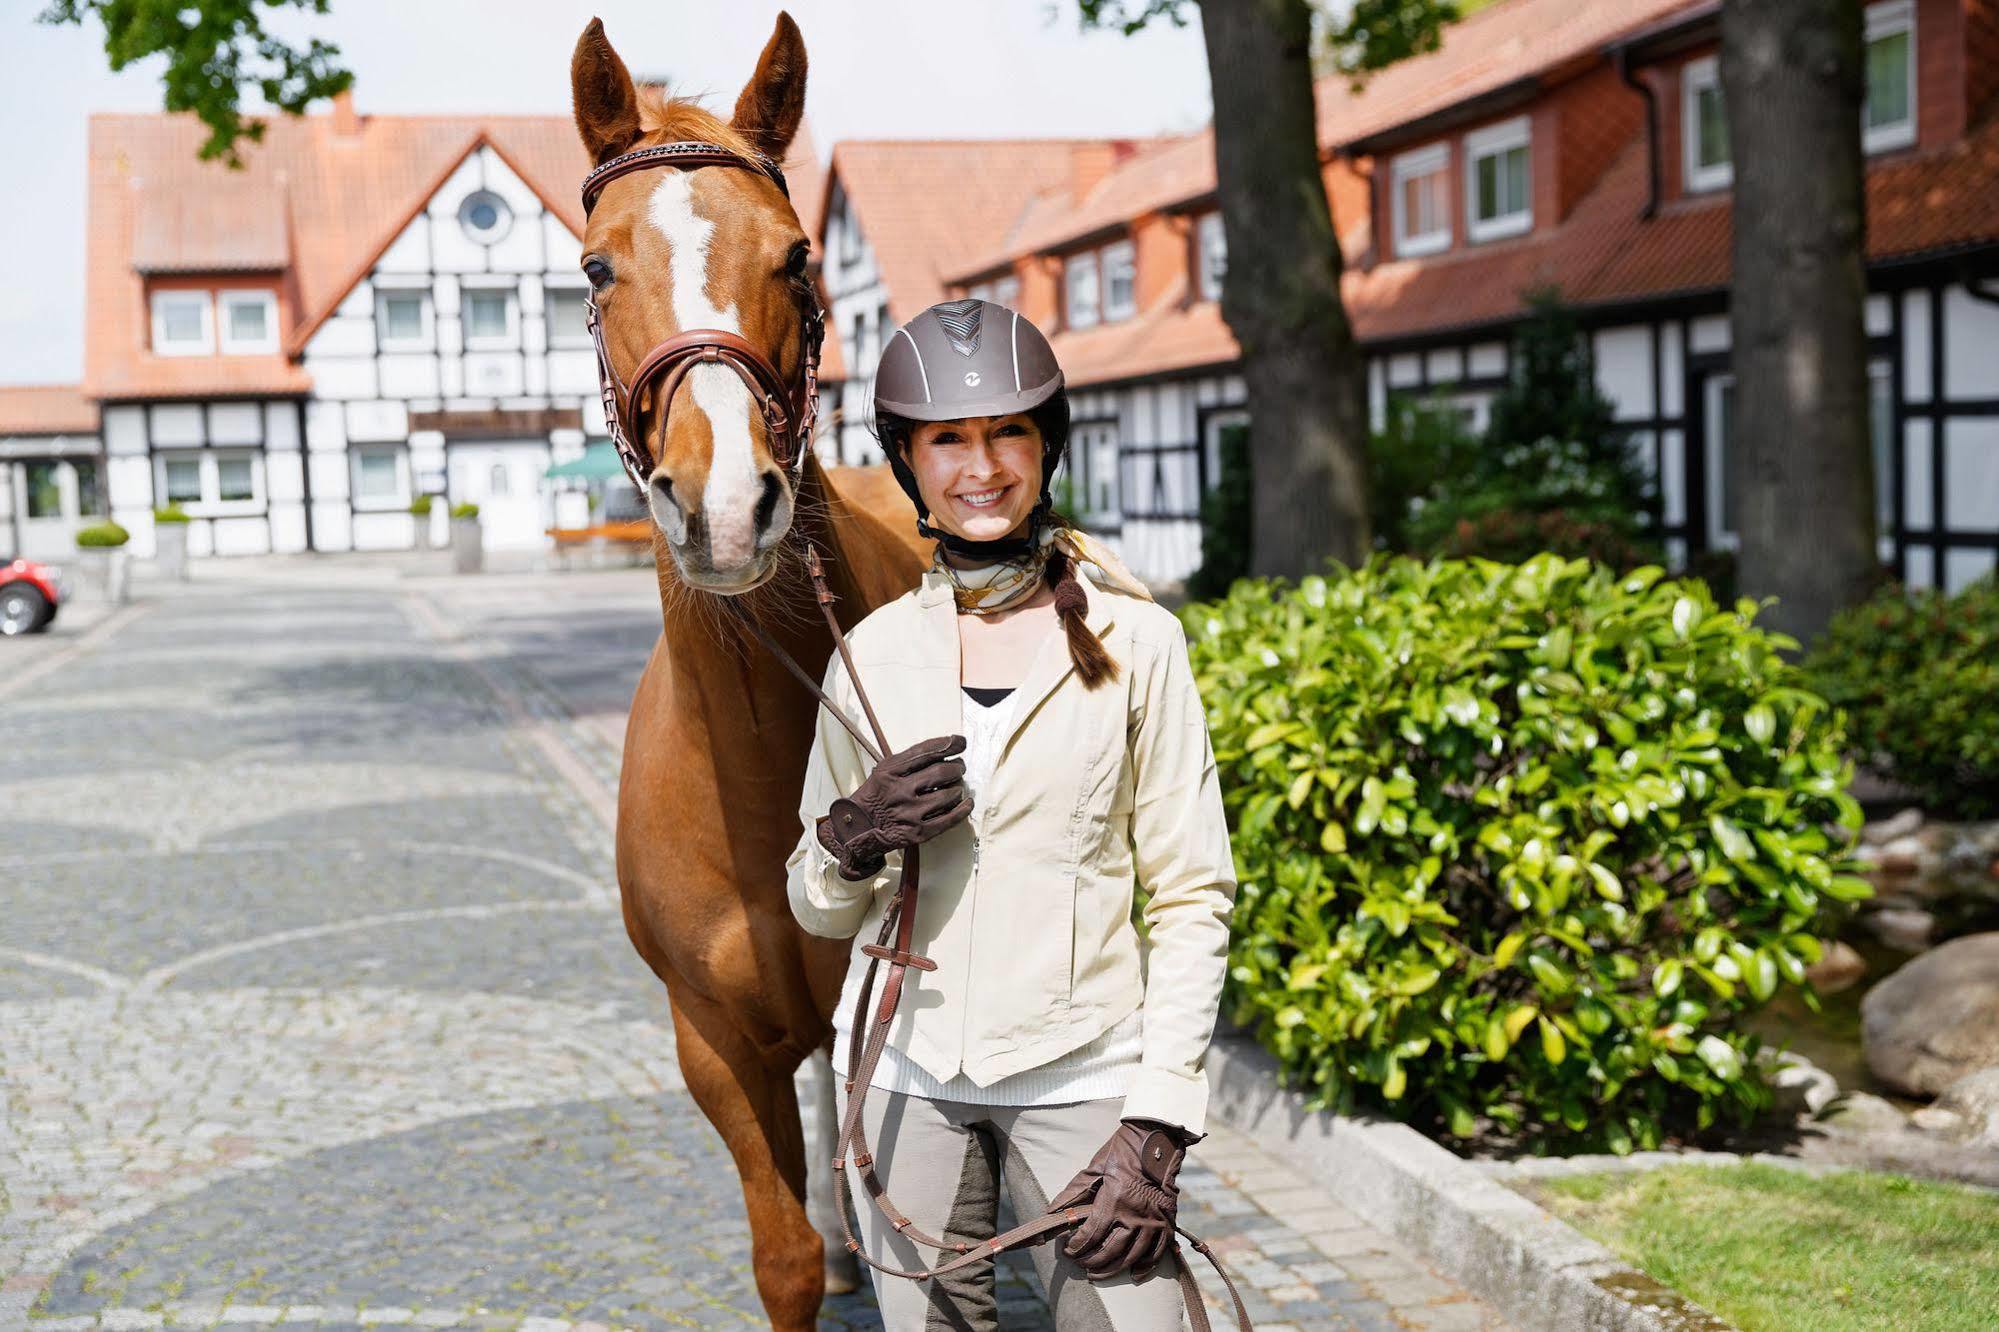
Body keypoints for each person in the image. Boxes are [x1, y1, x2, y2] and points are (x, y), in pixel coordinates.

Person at [785, 297, 1238, 1330]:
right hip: (903, 1075)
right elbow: (813, 907)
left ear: (1046, 446)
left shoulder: (1139, 642)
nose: (979, 467)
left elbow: (1191, 894)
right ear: (908, 461)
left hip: (1083, 1071)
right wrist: (847, 839)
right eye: (947, 439)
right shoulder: (867, 654)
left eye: (1007, 434)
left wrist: (1159, 1122)